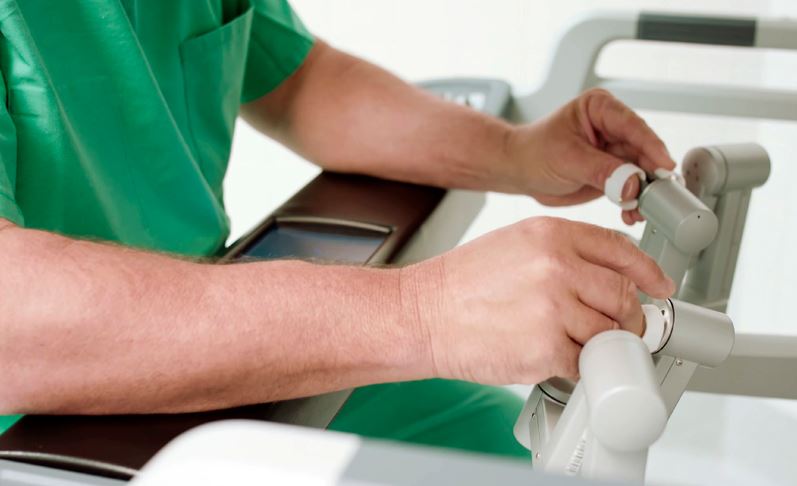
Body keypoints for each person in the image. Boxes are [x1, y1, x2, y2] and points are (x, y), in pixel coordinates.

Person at [0, 0, 675, 459]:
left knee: (518, 453)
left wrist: (515, 153)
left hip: (228, 362)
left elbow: (298, 83)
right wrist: (425, 313)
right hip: (46, 435)